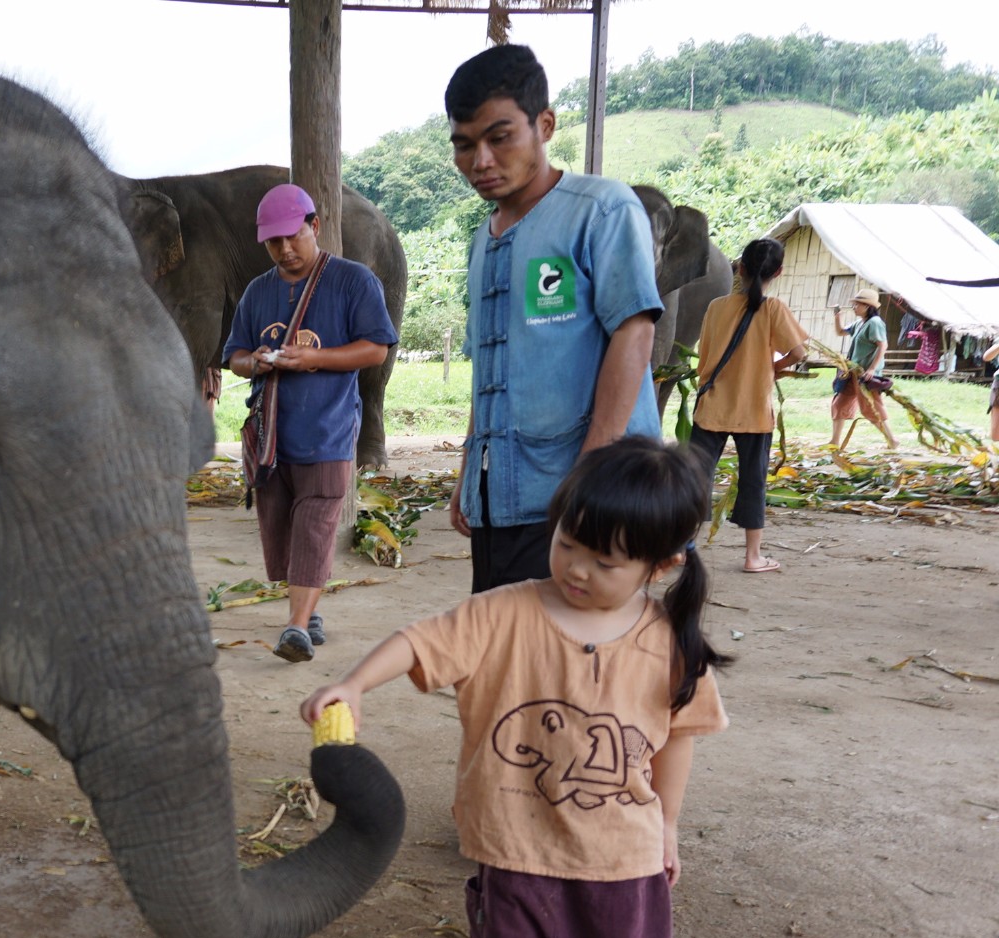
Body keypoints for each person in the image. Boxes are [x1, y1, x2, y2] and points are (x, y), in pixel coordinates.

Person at [300, 437, 728, 938]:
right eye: (568, 544)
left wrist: (668, 826)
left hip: (621, 860)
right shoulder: (505, 613)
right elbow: (418, 641)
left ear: (662, 567)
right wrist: (353, 684)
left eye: (605, 561)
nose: (576, 569)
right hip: (515, 849)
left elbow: (678, 738)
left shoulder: (670, 642)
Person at [444, 45, 665, 594]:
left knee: (572, 668)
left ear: (545, 124)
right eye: (465, 145)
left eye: (500, 138)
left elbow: (634, 333)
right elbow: (488, 368)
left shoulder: (602, 211)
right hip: (501, 499)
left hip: (582, 501)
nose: (481, 161)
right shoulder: (482, 238)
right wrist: (470, 474)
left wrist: (589, 481)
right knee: (507, 659)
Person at [224, 183, 397, 660]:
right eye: (273, 242)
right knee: (280, 532)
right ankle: (310, 607)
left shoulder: (352, 281)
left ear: (314, 227)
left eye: (291, 238)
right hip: (272, 440)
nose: (283, 250)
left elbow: (376, 347)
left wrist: (316, 359)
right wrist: (254, 361)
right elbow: (233, 355)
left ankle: (296, 627)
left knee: (316, 524)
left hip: (329, 431)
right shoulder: (258, 292)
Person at [687, 239, 808, 574]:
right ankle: (753, 557)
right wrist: (773, 368)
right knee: (754, 482)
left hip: (712, 407)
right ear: (778, 272)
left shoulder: (716, 307)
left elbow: (705, 360)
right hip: (754, 411)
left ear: (739, 268)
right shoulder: (774, 310)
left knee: (696, 479)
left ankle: (682, 550)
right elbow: (800, 354)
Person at [828, 290, 899, 452]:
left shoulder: (875, 323)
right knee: (840, 404)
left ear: (867, 306)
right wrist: (837, 316)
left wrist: (872, 369)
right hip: (852, 372)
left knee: (870, 407)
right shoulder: (860, 323)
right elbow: (840, 332)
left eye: (857, 304)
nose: (854, 307)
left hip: (866, 374)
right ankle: (834, 441)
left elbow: (883, 345)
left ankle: (892, 440)